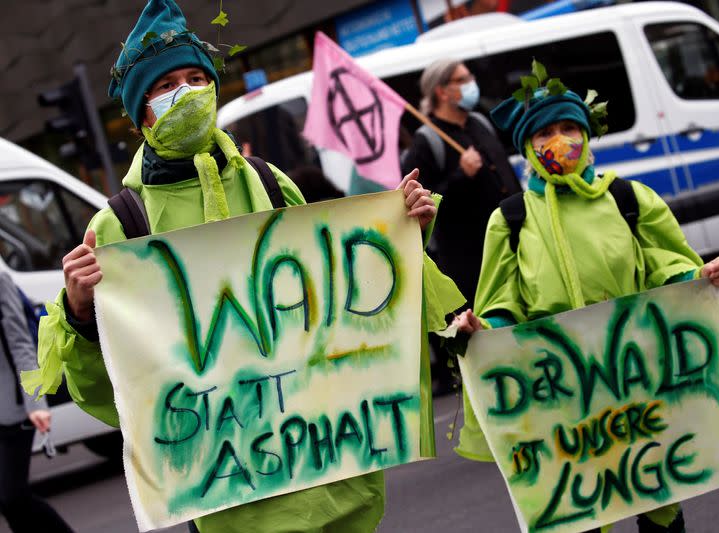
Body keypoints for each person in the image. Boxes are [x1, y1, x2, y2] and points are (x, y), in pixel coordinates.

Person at [23, 1, 461, 532]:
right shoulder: (119, 226)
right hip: (236, 500)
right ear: (141, 116)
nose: (185, 93)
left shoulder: (271, 182)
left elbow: (352, 307)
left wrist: (399, 235)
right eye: (165, 87)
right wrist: (80, 314)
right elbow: (115, 395)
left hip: (336, 479)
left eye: (194, 78)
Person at [451, 78, 719, 532]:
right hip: (563, 398)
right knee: (582, 516)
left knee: (659, 503)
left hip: (637, 384)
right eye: (544, 133)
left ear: (586, 134)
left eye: (567, 127)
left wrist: (700, 277)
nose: (559, 140)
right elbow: (503, 304)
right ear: (529, 146)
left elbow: (667, 268)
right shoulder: (511, 220)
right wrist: (483, 326)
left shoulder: (630, 200)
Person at [402, 58, 522, 310]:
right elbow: (424, 208)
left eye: (470, 78)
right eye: (462, 80)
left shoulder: (479, 122)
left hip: (512, 247)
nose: (471, 84)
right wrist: (460, 175)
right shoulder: (426, 142)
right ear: (441, 91)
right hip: (470, 262)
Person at [0, 272, 74, 533]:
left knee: (13, 496)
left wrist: (36, 404)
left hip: (13, 409)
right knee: (8, 501)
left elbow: (20, 344)